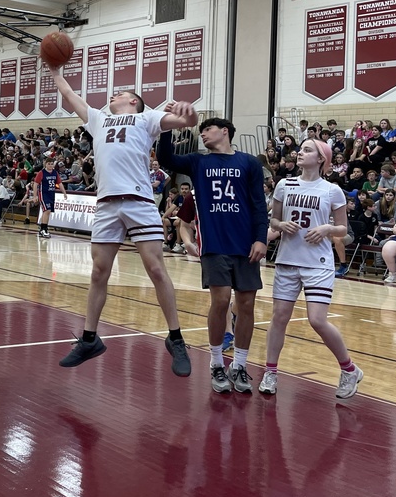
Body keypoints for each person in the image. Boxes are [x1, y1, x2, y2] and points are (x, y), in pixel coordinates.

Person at [49, 66, 197, 376]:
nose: (114, 94)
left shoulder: (148, 117)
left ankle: (176, 338)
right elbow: (68, 94)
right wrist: (55, 70)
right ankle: (89, 338)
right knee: (98, 272)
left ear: (134, 102)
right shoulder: (98, 119)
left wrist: (189, 111)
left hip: (139, 201)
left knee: (156, 268)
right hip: (106, 205)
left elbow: (185, 121)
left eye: (122, 93)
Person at [157, 116, 268, 394]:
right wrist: (168, 126)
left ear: (225, 131)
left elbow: (257, 205)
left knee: (246, 305)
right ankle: (216, 362)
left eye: (208, 129)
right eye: (201, 130)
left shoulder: (249, 163)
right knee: (220, 301)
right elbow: (166, 157)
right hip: (215, 244)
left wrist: (260, 239)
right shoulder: (198, 161)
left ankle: (240, 365)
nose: (203, 133)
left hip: (245, 244)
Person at [259, 139, 362, 399]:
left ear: (321, 159)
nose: (300, 153)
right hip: (287, 260)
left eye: (307, 150)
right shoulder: (285, 184)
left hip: (318, 263)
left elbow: (343, 229)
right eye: (300, 149)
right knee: (279, 317)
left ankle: (349, 369)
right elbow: (273, 218)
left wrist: (327, 228)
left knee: (317, 320)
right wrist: (281, 226)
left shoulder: (332, 190)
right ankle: (270, 371)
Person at [35, 156, 67, 239]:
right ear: (46, 164)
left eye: (52, 164)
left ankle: (42, 229)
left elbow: (59, 183)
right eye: (49, 164)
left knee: (47, 212)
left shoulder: (55, 173)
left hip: (51, 194)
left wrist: (64, 193)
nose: (50, 166)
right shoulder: (41, 173)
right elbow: (35, 184)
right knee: (47, 210)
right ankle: (44, 229)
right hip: (43, 194)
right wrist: (35, 196)